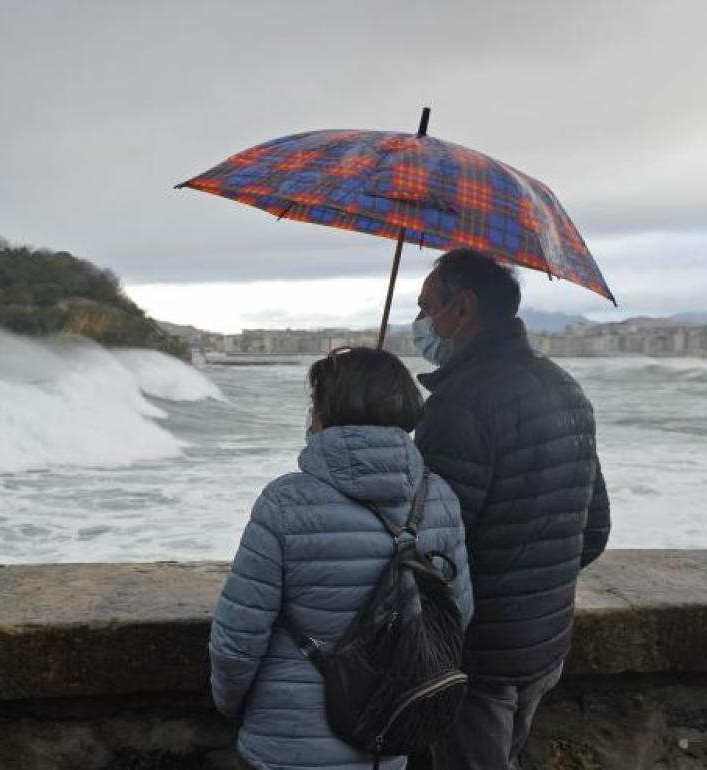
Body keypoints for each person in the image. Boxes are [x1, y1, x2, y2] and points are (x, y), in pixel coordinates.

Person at [209, 347, 474, 770]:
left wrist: (230, 703)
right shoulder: (439, 497)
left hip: (288, 739)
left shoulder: (285, 502)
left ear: (326, 410)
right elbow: (456, 614)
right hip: (388, 733)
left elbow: (238, 636)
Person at [411, 249, 612, 770]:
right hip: (544, 643)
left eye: (426, 307)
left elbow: (432, 553)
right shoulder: (565, 388)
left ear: (462, 308)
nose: (420, 322)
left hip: (478, 656)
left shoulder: (459, 405)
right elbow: (594, 529)